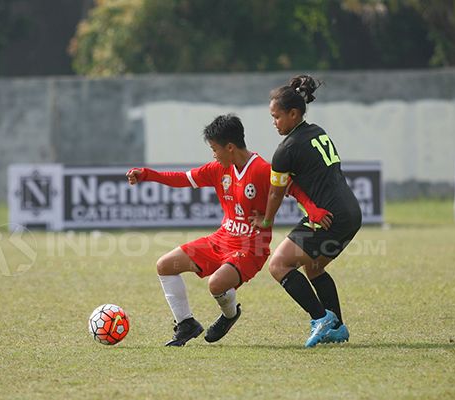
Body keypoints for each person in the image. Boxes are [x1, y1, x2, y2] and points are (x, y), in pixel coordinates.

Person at [127, 114, 328, 347]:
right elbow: (182, 179)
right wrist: (147, 175)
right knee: (165, 265)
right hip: (221, 238)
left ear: (230, 147)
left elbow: (293, 188)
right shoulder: (218, 169)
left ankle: (230, 315)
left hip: (252, 246)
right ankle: (186, 324)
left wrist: (313, 210)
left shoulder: (262, 169)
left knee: (216, 284)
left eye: (214, 148)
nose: (213, 154)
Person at [250, 75, 362, 348]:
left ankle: (320, 318)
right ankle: (337, 327)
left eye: (277, 117)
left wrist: (266, 220)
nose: (274, 122)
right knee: (313, 267)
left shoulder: (286, 149)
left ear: (293, 113)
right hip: (351, 213)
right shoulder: (318, 132)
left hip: (330, 217)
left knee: (278, 265)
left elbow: (277, 191)